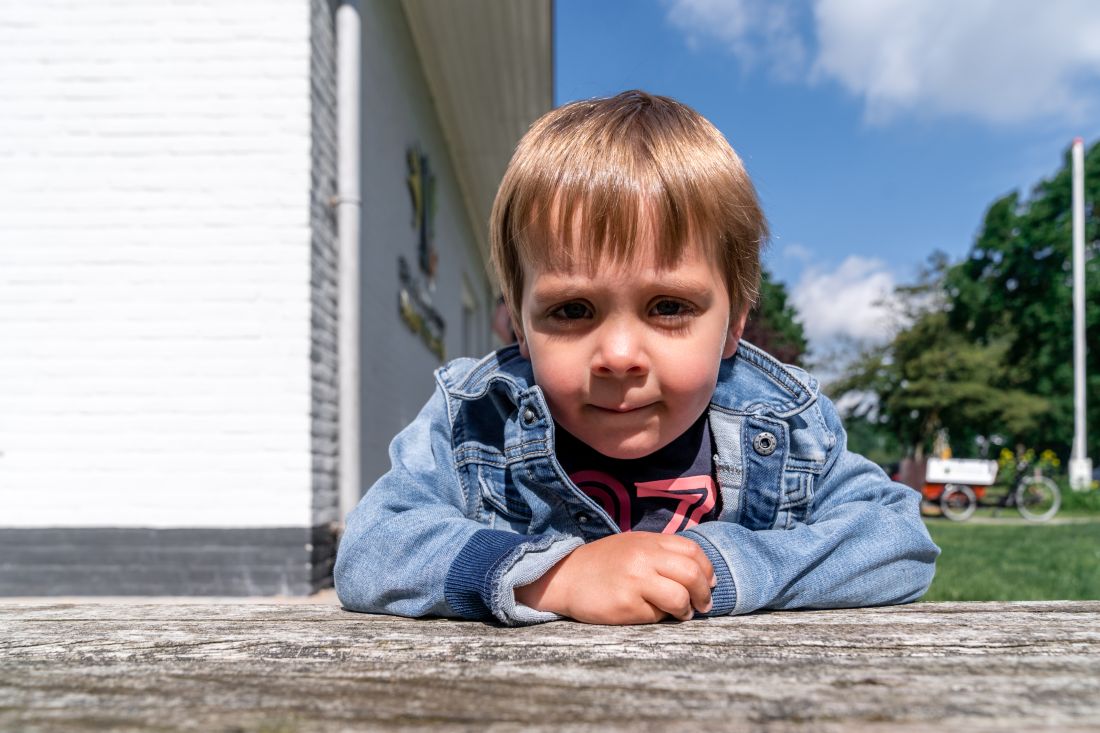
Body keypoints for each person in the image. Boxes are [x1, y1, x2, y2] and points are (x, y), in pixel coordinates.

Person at [334, 90, 939, 625]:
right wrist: (557, 576)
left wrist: (715, 566)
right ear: (519, 324)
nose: (619, 355)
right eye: (571, 311)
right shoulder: (477, 417)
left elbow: (898, 540)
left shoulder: (781, 421)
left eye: (668, 306)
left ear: (734, 324)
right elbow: (371, 547)